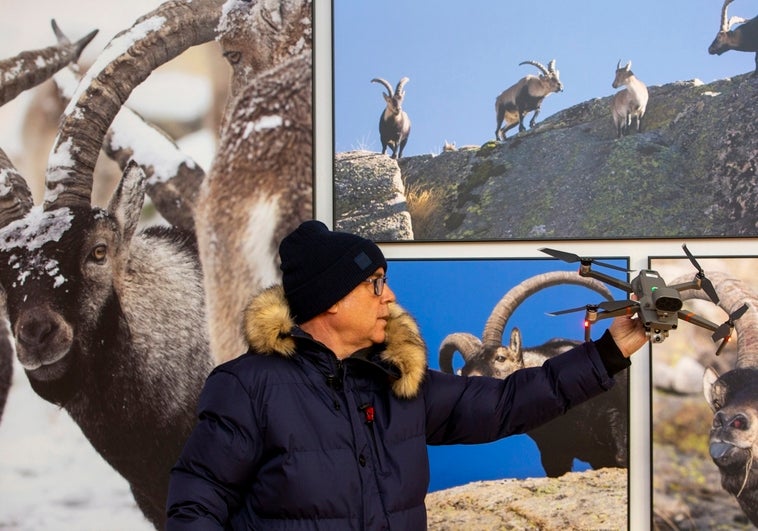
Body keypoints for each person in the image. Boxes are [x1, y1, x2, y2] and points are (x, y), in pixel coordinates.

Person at [166, 220, 648, 530]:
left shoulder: (401, 382)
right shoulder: (246, 387)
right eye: (374, 284)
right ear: (330, 300)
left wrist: (610, 350)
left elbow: (505, 403)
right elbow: (195, 507)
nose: (389, 296)